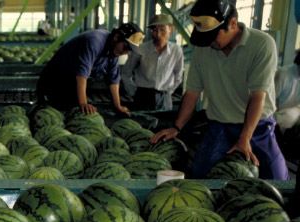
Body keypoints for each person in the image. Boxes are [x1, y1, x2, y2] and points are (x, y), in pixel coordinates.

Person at [150, 0, 289, 180]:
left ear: (232, 24)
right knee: (200, 175)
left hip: (257, 126)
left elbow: (258, 95)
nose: (208, 43)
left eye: (213, 36)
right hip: (220, 125)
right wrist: (177, 127)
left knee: (276, 179)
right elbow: (192, 92)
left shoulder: (262, 45)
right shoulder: (203, 49)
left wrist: (245, 138)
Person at [36, 23, 144, 114]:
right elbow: (81, 74)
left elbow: (113, 80)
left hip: (72, 80)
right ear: (116, 37)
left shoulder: (113, 52)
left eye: (128, 51)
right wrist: (83, 103)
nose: (124, 53)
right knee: (56, 113)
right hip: (55, 77)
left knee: (73, 111)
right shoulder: (95, 41)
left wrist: (118, 106)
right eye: (125, 47)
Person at [121, 14, 184, 110]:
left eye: (162, 29)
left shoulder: (176, 51)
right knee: (141, 124)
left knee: (164, 124)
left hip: (165, 98)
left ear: (171, 30)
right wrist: (133, 92)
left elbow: (178, 76)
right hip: (143, 97)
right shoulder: (141, 49)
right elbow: (126, 72)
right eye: (154, 30)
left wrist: (167, 93)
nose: (158, 34)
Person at [273, 51, 300, 133]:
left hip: (292, 119)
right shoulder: (283, 75)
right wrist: (278, 117)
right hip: (276, 119)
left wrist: (297, 111)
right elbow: (267, 105)